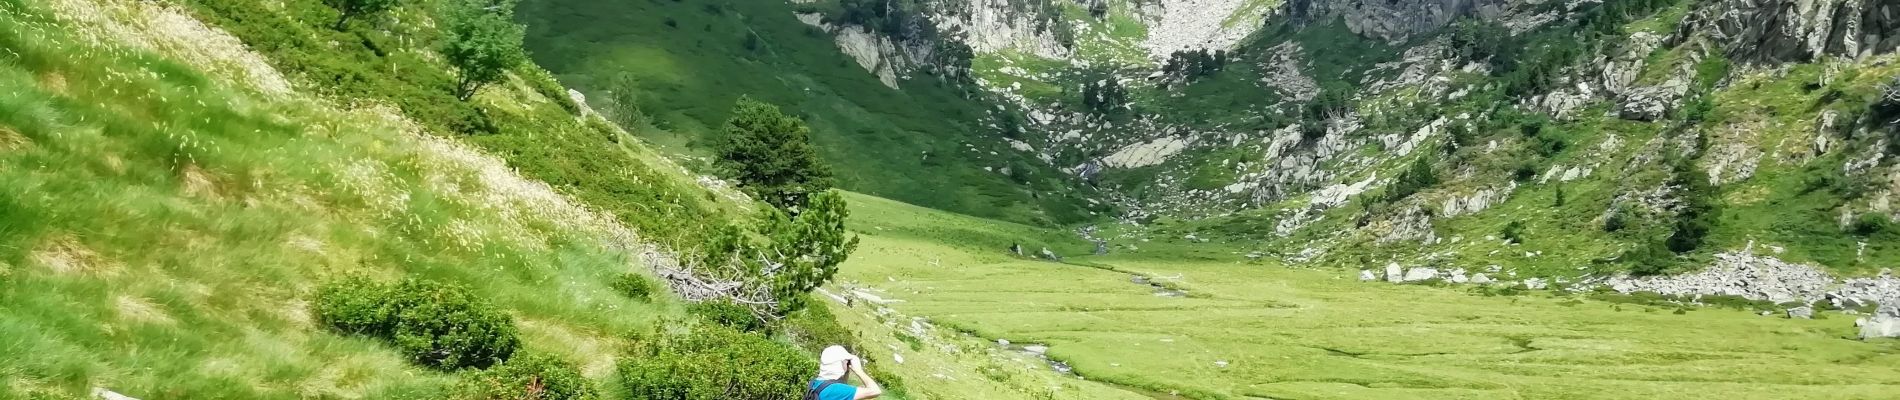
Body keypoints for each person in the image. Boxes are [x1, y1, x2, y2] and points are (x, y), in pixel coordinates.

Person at [807, 345, 883, 400]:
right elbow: (876, 391)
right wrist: (859, 371)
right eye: (847, 362)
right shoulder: (835, 389)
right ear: (840, 364)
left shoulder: (816, 383)